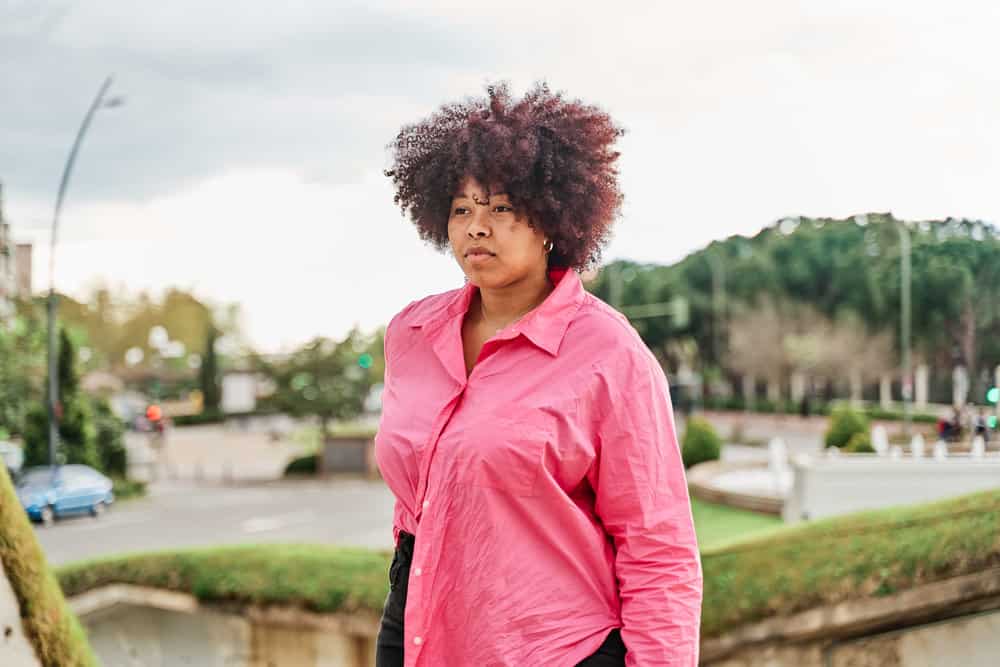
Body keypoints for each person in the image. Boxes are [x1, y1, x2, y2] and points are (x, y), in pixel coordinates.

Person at [374, 82, 703, 666]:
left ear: (551, 217)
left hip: (552, 648)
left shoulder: (608, 353)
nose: (478, 227)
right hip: (416, 632)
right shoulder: (411, 334)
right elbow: (419, 497)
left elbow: (658, 548)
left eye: (501, 208)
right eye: (462, 209)